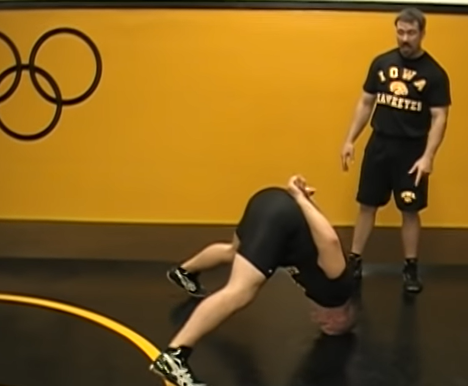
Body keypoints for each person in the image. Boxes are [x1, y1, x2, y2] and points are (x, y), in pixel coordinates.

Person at [149, 175, 357, 386]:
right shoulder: (338, 286)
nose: (319, 322)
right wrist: (301, 199)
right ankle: (174, 356)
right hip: (279, 219)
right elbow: (330, 240)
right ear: (341, 316)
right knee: (240, 291)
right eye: (329, 325)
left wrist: (303, 199)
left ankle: (185, 271)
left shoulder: (324, 292)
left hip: (268, 201)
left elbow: (320, 234)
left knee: (234, 251)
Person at [340, 7, 451, 293]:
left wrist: (428, 156)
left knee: (410, 210)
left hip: (411, 151)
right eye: (400, 32)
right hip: (379, 144)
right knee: (367, 204)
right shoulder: (381, 63)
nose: (405, 38)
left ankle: (411, 267)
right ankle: (354, 261)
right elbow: (366, 103)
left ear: (422, 33)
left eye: (411, 33)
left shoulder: (434, 74)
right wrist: (350, 139)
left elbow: (440, 117)